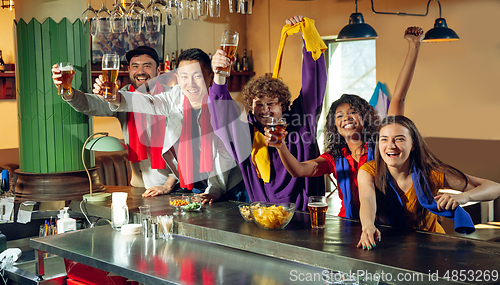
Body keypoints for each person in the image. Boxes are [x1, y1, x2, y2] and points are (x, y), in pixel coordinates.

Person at [268, 27, 425, 217]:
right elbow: (299, 170)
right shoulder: (334, 158)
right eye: (339, 116)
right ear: (335, 126)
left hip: (389, 223)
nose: (346, 118)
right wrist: (280, 146)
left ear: (365, 116)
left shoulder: (381, 145)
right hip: (349, 226)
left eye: (352, 112)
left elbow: (398, 98)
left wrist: (414, 45)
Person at [94, 48, 246, 205]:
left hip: (229, 187)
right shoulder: (174, 98)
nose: (191, 83)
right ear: (178, 78)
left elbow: (225, 152)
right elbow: (147, 102)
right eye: (184, 76)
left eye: (197, 76)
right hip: (196, 188)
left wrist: (215, 189)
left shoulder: (224, 106)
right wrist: (116, 96)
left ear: (210, 77)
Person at [209, 15, 327, 211]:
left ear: (283, 105)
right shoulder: (244, 136)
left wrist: (308, 37)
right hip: (263, 218)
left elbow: (313, 86)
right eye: (259, 104)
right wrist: (219, 75)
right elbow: (222, 115)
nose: (265, 110)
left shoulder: (301, 123)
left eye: (271, 103)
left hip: (304, 218)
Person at [52, 46, 179, 197]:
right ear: (129, 71)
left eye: (147, 65)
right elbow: (92, 104)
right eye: (135, 66)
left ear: (158, 71)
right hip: (139, 187)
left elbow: (189, 146)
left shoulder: (171, 97)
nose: (141, 71)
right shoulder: (123, 96)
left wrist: (167, 185)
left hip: (172, 188)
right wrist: (68, 92)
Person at [357, 115, 500, 249]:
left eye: (399, 139)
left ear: (413, 144)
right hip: (390, 245)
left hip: (431, 247)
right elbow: (367, 200)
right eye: (384, 139)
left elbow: (495, 188)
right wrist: (368, 226)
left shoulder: (431, 172)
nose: (391, 145)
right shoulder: (368, 172)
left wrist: (464, 197)